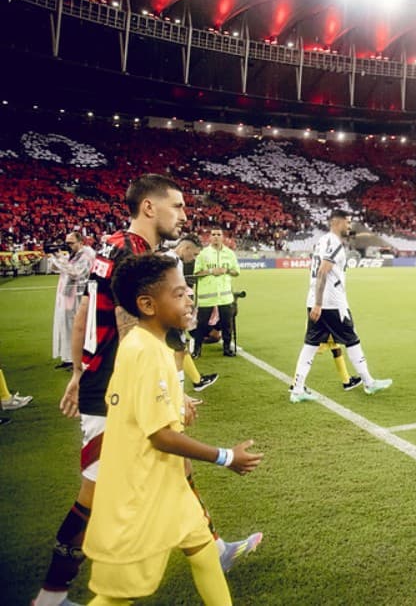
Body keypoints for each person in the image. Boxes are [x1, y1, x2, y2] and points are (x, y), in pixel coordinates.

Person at [36, 175, 259, 606]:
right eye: (177, 206)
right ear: (150, 208)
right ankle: (52, 594)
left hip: (104, 382)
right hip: (116, 395)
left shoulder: (111, 245)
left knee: (179, 473)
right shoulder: (134, 256)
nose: (184, 214)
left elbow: (86, 310)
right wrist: (167, 392)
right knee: (94, 493)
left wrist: (80, 370)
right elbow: (129, 330)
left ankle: (210, 548)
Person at [84, 253, 263, 605]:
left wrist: (174, 404)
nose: (190, 299)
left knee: (203, 548)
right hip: (141, 492)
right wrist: (227, 457)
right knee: (116, 597)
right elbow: (159, 436)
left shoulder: (143, 345)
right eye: (179, 294)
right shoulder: (147, 353)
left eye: (188, 292)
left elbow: (131, 403)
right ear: (147, 304)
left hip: (168, 485)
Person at [289, 211, 393, 402]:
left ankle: (297, 389)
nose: (349, 226)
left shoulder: (322, 241)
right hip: (331, 303)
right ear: (338, 222)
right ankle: (369, 383)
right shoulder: (334, 244)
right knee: (352, 340)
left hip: (315, 300)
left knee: (310, 345)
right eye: (348, 222)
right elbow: (322, 272)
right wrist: (320, 304)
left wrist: (315, 302)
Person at [166, 236, 218, 394]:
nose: (194, 259)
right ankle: (178, 395)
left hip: (168, 312)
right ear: (186, 248)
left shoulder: (172, 258)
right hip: (170, 312)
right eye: (194, 254)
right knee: (178, 352)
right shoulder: (172, 260)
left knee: (180, 348)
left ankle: (196, 381)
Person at [192, 228, 240, 358]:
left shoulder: (229, 254)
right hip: (207, 298)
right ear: (209, 237)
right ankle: (197, 350)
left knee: (227, 325)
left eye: (219, 234)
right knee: (201, 326)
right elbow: (196, 273)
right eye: (213, 234)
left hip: (225, 297)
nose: (216, 237)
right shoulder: (203, 254)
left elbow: (236, 272)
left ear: (223, 237)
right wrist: (212, 271)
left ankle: (227, 349)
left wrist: (226, 270)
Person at [50, 232, 95, 369]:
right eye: (67, 243)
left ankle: (77, 358)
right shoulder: (74, 254)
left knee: (76, 326)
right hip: (68, 295)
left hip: (78, 295)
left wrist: (61, 261)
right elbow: (57, 269)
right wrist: (56, 258)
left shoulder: (87, 255)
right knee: (65, 326)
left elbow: (76, 273)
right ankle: (68, 357)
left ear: (81, 242)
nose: (68, 246)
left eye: (71, 243)